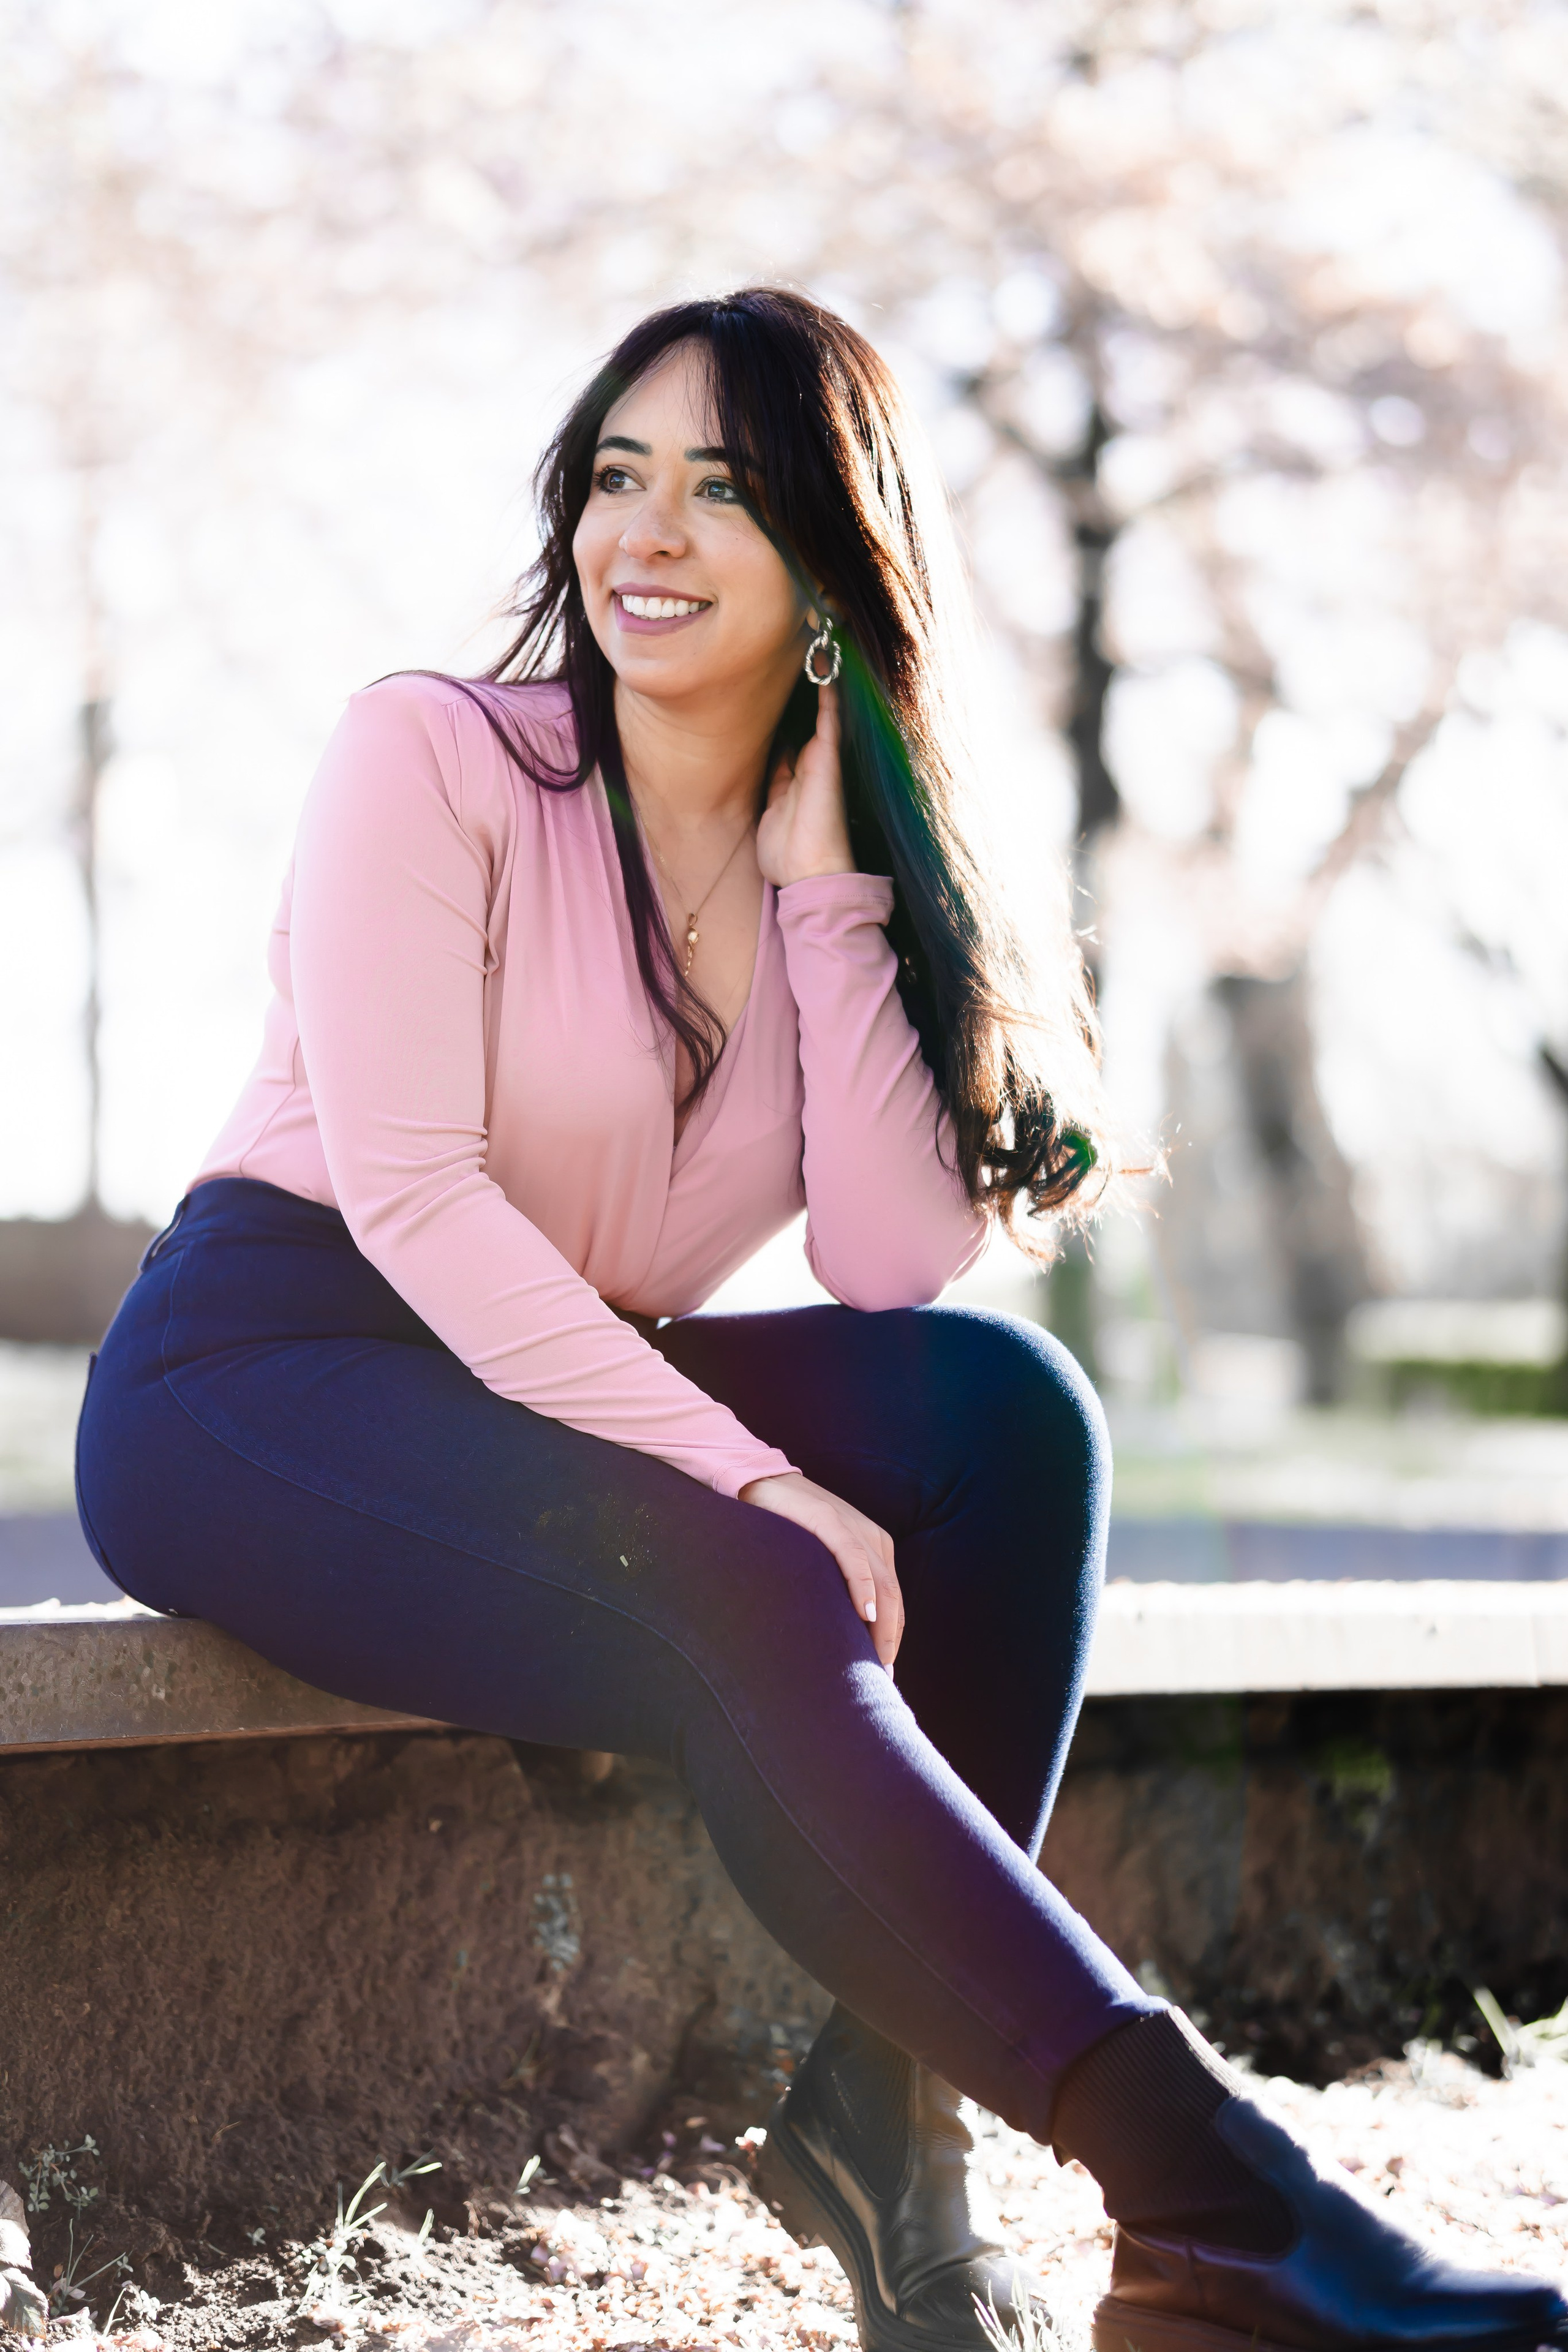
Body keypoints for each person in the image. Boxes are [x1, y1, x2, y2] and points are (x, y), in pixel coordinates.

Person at [77, 290, 1565, 2352]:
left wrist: (832, 893)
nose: (647, 534)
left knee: (1005, 1418)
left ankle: (889, 2114)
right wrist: (753, 1475)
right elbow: (416, 1200)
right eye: (618, 477)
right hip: (269, 1370)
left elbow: (883, 1262)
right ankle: (1215, 2197)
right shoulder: (433, 756)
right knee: (743, 1577)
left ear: (835, 563)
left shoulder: (829, 868)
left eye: (724, 486)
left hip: (553, 1377)